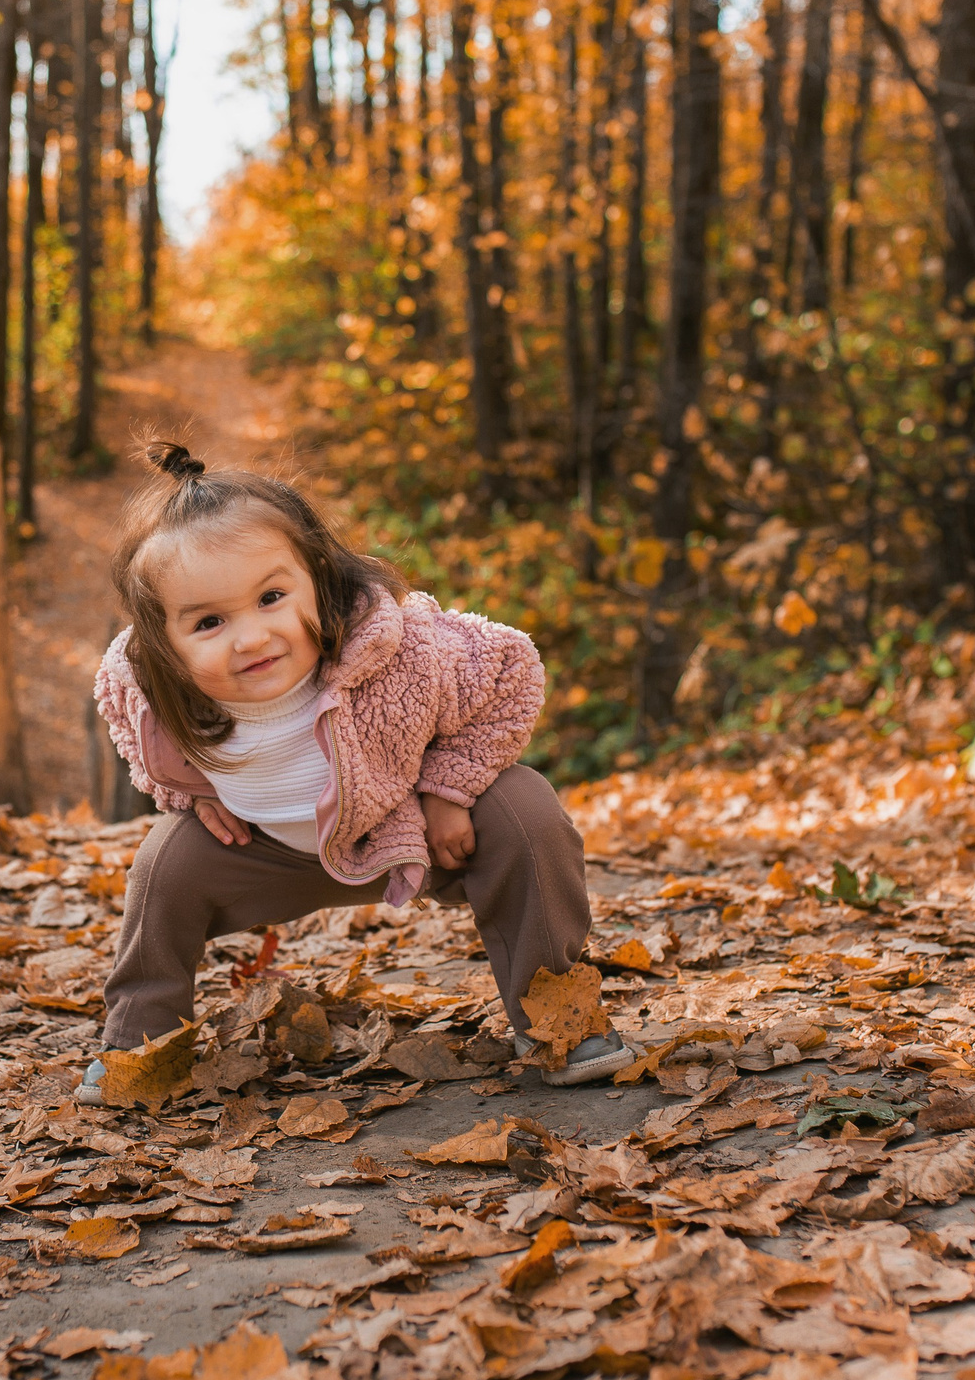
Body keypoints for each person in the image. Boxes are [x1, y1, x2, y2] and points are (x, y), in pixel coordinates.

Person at [75, 442, 633, 1104]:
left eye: (272, 597)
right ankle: (142, 1046)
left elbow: (513, 674)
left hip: (412, 824)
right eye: (209, 622)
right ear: (166, 642)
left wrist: (447, 788)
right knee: (164, 865)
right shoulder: (151, 689)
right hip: (267, 852)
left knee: (525, 810)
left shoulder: (399, 648)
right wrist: (189, 796)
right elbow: (142, 745)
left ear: (318, 576)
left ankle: (556, 1021)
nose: (251, 638)